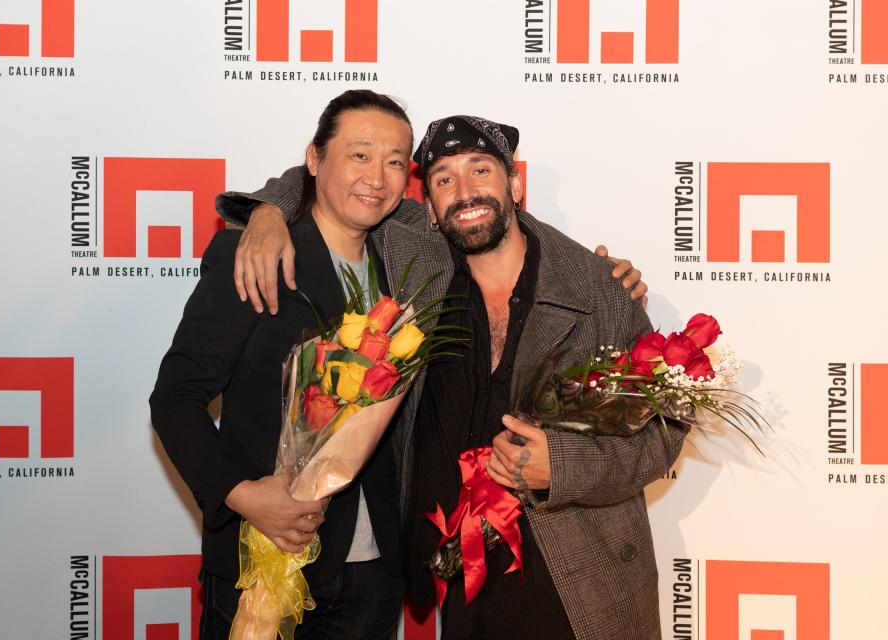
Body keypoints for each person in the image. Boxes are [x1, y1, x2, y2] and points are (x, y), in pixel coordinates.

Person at [217, 115, 683, 639]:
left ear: (515, 184)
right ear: (430, 209)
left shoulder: (597, 288)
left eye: (481, 170)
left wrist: (561, 466)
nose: (465, 192)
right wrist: (267, 214)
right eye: (443, 179)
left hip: (580, 582)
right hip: (462, 586)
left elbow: (664, 430)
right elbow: (330, 178)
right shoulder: (414, 258)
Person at [149, 90, 416, 640]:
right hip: (266, 560)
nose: (378, 176)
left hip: (375, 569)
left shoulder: (410, 261)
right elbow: (175, 399)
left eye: (395, 161)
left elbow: (487, 212)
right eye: (360, 154)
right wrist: (245, 496)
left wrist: (609, 276)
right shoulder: (256, 254)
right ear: (315, 159)